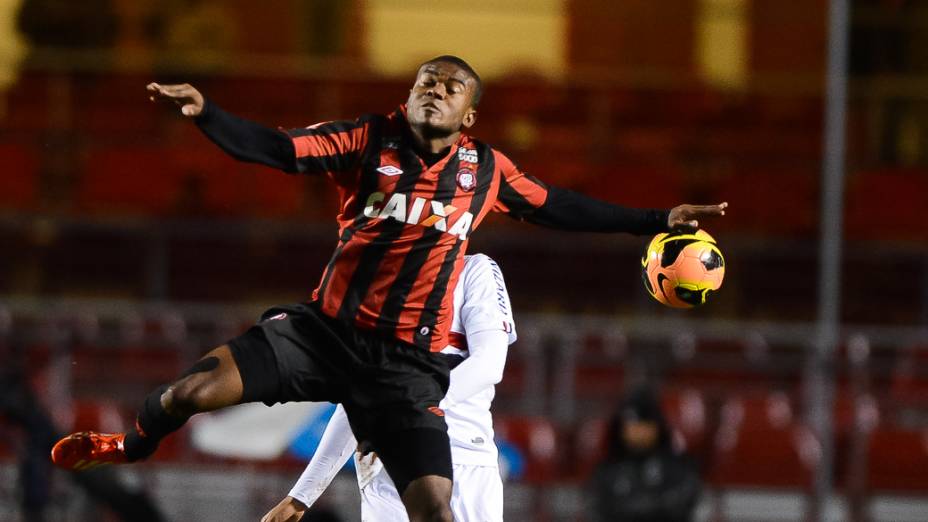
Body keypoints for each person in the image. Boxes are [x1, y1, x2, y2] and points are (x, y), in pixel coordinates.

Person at [51, 55, 726, 522]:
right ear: (407, 97)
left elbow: (560, 204)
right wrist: (208, 114)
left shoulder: (486, 171)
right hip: (321, 335)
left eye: (451, 85)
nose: (434, 88)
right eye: (424, 81)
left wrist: (653, 222)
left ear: (469, 116)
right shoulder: (368, 139)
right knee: (187, 393)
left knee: (433, 507)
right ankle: (128, 448)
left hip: (405, 369)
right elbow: (281, 150)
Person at [262, 253, 515, 522]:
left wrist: (398, 413)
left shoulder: (473, 269)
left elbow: (489, 364)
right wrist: (301, 496)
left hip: (464, 461)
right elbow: (358, 399)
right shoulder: (371, 281)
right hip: (387, 472)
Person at [589, 386, 702, 522]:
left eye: (645, 426)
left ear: (657, 428)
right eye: (633, 426)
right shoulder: (606, 471)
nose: (639, 432)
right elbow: (598, 508)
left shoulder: (680, 468)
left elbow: (683, 504)